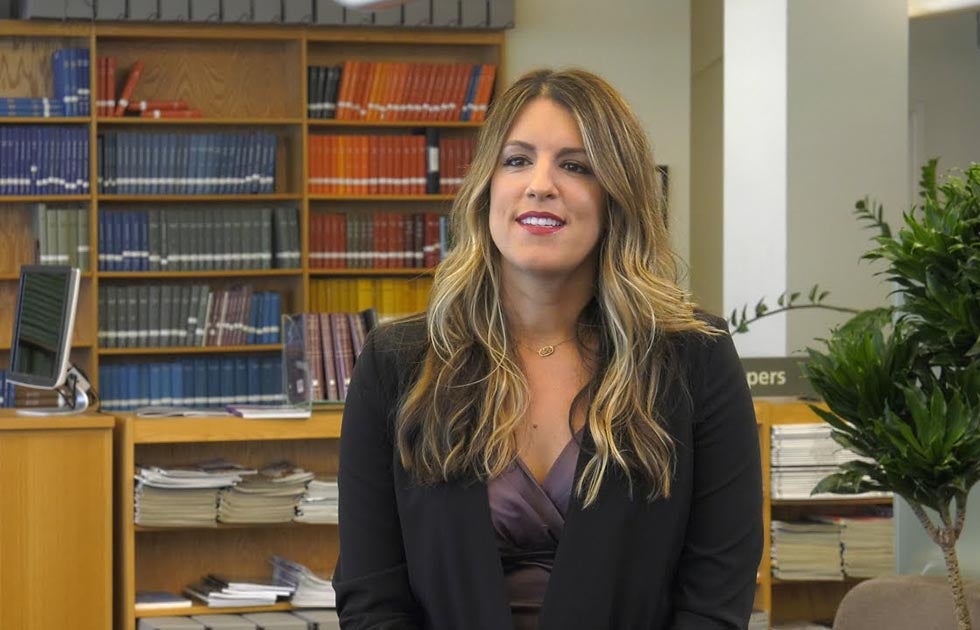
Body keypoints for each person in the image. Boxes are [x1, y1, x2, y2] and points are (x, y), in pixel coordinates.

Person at [334, 68, 762, 630]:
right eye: (516, 160)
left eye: (575, 165)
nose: (540, 184)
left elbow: (715, 597)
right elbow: (372, 597)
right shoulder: (396, 362)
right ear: (487, 187)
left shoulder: (694, 358)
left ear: (617, 196)